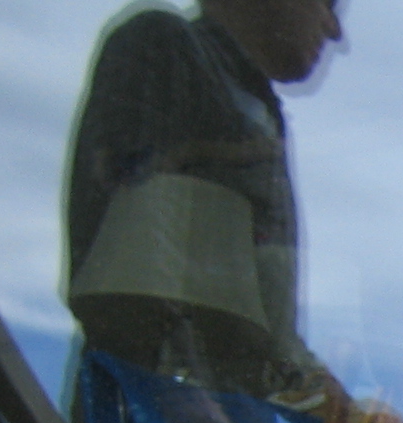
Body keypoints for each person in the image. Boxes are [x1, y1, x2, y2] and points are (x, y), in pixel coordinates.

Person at [65, 0, 343, 400]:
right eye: (329, 2)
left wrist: (346, 413)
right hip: (156, 416)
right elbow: (137, 296)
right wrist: (192, 402)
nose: (334, 29)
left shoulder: (261, 109)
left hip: (226, 420)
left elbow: (272, 342)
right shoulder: (165, 45)